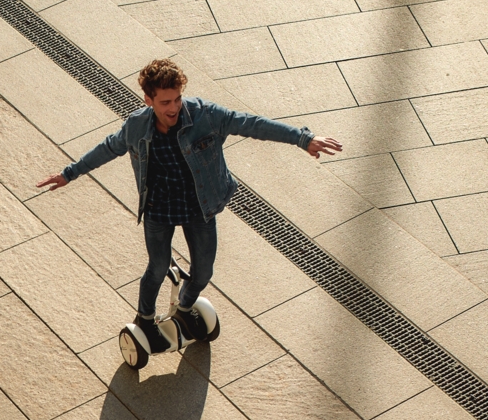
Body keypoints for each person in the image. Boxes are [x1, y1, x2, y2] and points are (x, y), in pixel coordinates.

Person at [37, 58, 342, 352]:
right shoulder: (137, 127)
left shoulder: (205, 116)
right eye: (165, 102)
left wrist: (303, 139)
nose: (173, 108)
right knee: (157, 266)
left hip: (200, 206)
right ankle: (144, 318)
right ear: (148, 100)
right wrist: (69, 174)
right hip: (159, 208)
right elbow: (108, 148)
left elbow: (252, 125)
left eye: (177, 99)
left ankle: (183, 306)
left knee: (203, 272)